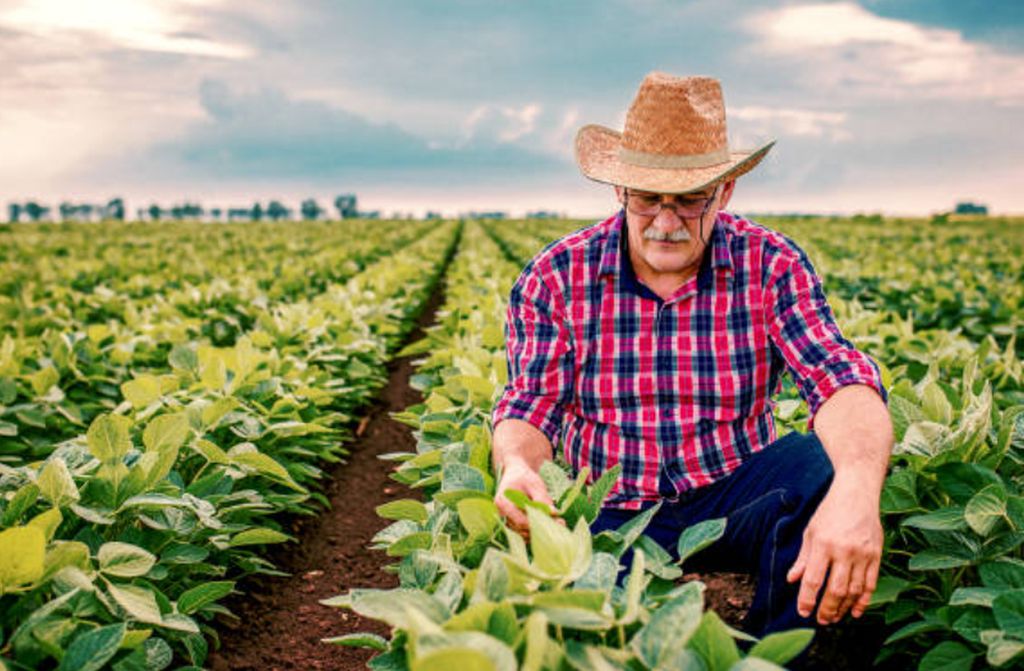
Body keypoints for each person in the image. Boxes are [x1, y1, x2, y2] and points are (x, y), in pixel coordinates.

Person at [490, 72, 893, 641]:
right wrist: (518, 467)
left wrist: (856, 490)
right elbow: (531, 404)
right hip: (613, 503)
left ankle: (770, 652)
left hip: (731, 490)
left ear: (724, 193)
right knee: (598, 622)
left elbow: (838, 376)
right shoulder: (558, 275)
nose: (666, 222)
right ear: (619, 191)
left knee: (822, 470)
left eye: (690, 202)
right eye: (648, 199)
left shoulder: (769, 262)